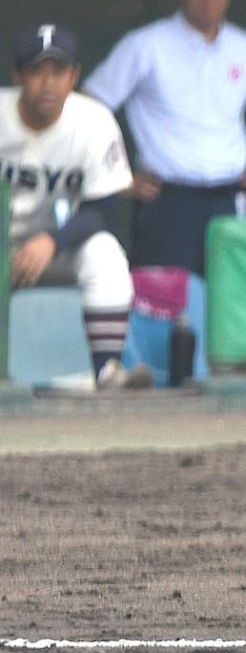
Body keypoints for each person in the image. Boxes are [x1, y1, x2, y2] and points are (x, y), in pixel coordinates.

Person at [83, 0, 246, 277]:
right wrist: (118, 176)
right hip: (166, 202)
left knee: (228, 302)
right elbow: (87, 107)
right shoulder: (145, 45)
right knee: (168, 312)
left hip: (228, 199)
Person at [1, 23, 150, 388]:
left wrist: (51, 242)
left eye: (59, 71)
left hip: (58, 245)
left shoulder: (94, 122)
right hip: (3, 243)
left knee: (106, 255)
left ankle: (107, 371)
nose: (48, 83)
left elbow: (103, 208)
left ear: (74, 76)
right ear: (18, 75)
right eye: (37, 71)